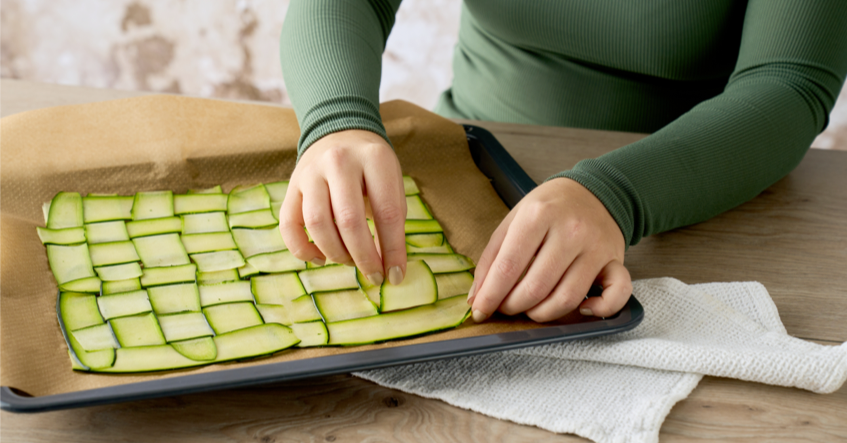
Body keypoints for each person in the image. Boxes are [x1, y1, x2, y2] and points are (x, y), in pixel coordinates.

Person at [278, 1, 847, 323]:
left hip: (687, 207)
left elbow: (788, 83)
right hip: (473, 172)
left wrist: (614, 194)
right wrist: (338, 120)